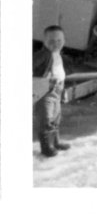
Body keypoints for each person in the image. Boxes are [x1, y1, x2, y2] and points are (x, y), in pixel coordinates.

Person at [33, 25, 71, 157]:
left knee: (55, 117)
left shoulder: (58, 55)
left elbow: (61, 74)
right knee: (46, 118)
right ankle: (46, 147)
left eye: (59, 40)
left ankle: (55, 142)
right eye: (51, 41)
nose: (56, 44)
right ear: (44, 41)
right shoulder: (43, 55)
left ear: (64, 41)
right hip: (45, 92)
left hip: (57, 90)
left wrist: (63, 90)